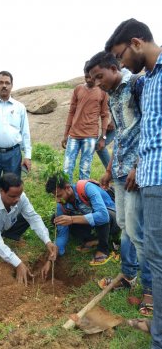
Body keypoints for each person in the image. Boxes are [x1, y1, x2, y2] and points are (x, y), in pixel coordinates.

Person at [105, 18, 162, 349]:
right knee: (156, 254)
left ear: (136, 43)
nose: (121, 63)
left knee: (155, 254)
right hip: (150, 176)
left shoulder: (143, 82)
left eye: (120, 56)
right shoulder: (150, 79)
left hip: (155, 177)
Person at [86, 51, 152, 317]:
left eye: (100, 76)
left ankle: (150, 290)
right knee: (125, 226)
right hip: (121, 171)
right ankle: (128, 275)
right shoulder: (112, 95)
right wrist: (110, 169)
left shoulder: (138, 84)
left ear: (115, 68)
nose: (98, 83)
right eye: (93, 79)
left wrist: (139, 166)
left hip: (138, 173)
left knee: (138, 233)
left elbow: (151, 127)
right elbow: (123, 137)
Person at [0, 173, 58, 286]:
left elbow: (33, 218)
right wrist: (18, 263)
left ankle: (8, 241)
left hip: (6, 226)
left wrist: (47, 241)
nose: (17, 199)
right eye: (12, 196)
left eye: (19, 195)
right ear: (1, 191)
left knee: (29, 216)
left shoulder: (20, 197)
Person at [41, 175, 119, 278]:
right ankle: (93, 239)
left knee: (101, 215)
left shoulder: (86, 188)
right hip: (92, 222)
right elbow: (62, 234)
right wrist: (51, 259)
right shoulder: (62, 206)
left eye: (59, 196)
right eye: (54, 196)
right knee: (58, 220)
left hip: (114, 217)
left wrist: (72, 219)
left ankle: (103, 249)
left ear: (68, 188)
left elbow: (103, 216)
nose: (57, 200)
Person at [62, 63, 109, 183]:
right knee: (67, 167)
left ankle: (82, 197)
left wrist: (103, 137)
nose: (88, 80)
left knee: (85, 169)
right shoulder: (78, 89)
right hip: (74, 135)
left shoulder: (102, 92)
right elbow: (71, 112)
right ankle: (67, 197)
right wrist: (65, 135)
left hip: (90, 137)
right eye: (86, 76)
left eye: (91, 77)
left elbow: (104, 115)